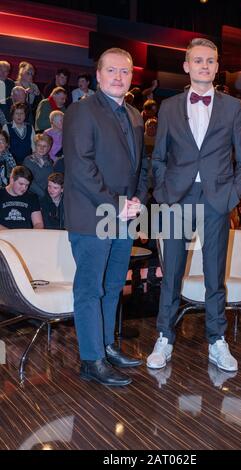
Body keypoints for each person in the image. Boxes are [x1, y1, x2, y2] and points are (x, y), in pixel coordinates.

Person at [147, 38, 241, 373]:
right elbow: (159, 157)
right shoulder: (168, 107)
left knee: (213, 275)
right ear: (186, 65)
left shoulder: (233, 107)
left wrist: (229, 197)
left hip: (215, 200)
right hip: (177, 199)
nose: (204, 66)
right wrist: (165, 194)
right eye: (198, 60)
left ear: (217, 66)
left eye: (210, 61)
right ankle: (164, 337)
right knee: (172, 272)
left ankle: (217, 340)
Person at [63, 47, 148, 387]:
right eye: (111, 70)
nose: (118, 76)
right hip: (92, 215)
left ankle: (107, 346)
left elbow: (138, 167)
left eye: (124, 72)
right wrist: (116, 203)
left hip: (124, 216)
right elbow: (81, 168)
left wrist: (139, 197)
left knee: (113, 286)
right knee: (89, 289)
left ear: (131, 77)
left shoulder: (135, 115)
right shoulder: (81, 111)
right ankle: (91, 360)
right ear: (98, 75)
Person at [0, 165, 43, 230]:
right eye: (21, 184)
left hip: (25, 237)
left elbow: (38, 223)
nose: (24, 188)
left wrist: (33, 234)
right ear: (11, 180)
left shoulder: (32, 197)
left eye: (27, 185)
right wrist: (11, 234)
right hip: (3, 237)